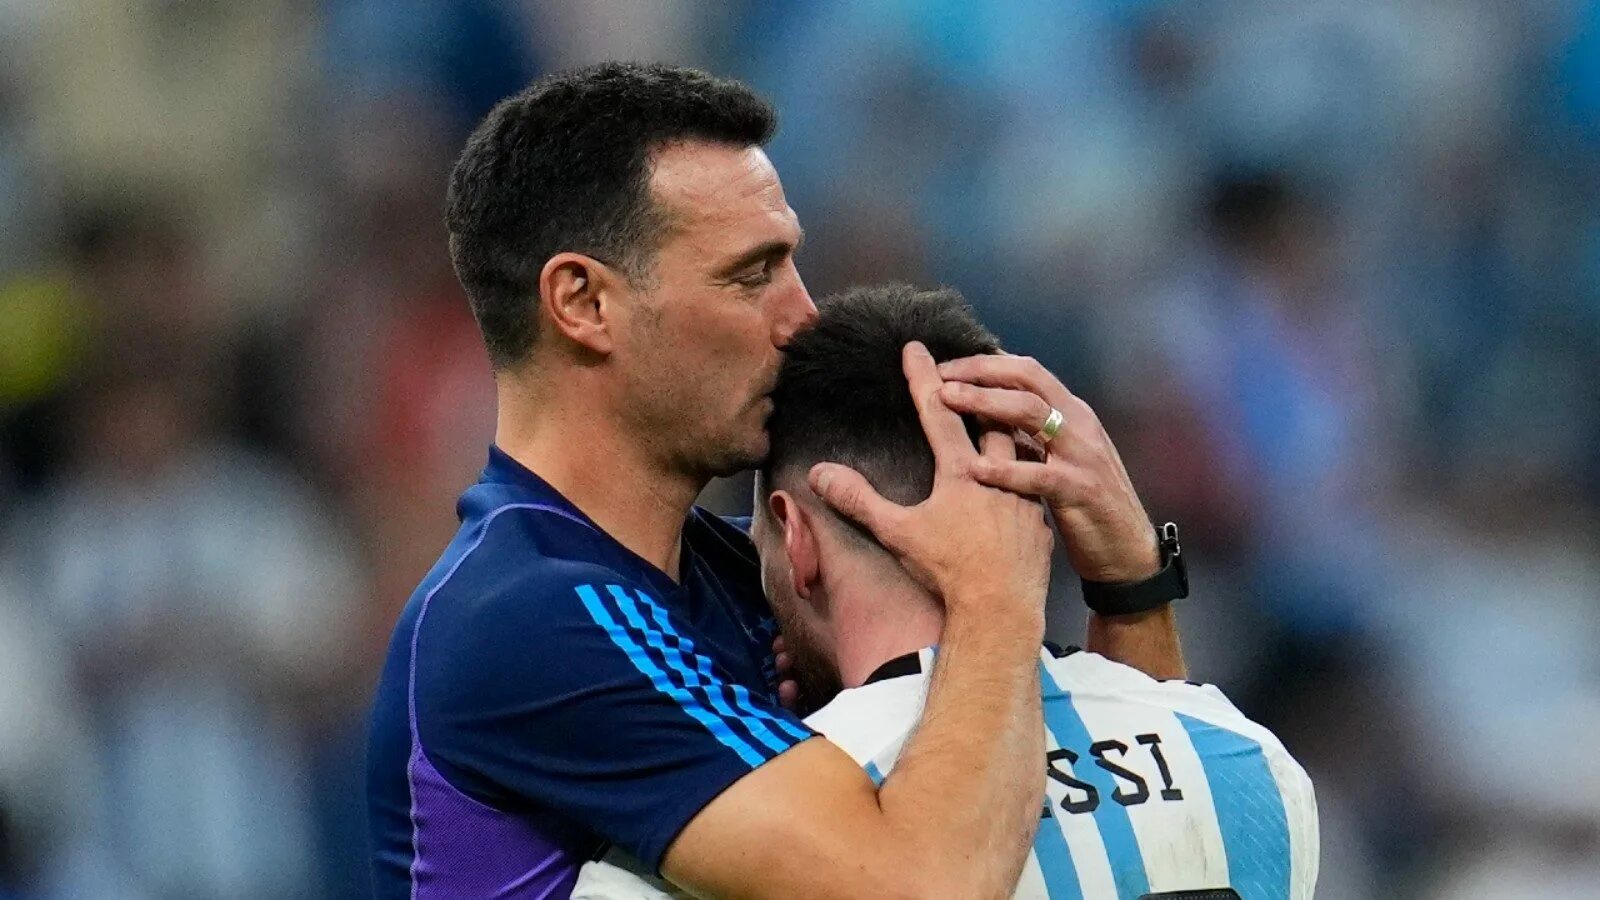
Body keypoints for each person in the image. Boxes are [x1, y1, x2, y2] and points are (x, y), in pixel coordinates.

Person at [368, 62, 1181, 898]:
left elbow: (1135, 834)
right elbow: (921, 887)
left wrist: (1130, 590)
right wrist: (998, 596)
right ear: (583, 302)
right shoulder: (526, 620)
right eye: (753, 274)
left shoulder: (749, 580)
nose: (804, 317)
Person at [573, 284, 1318, 899]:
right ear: (1032, 493)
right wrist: (1133, 588)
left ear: (794, 537)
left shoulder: (725, 848)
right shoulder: (1252, 767)